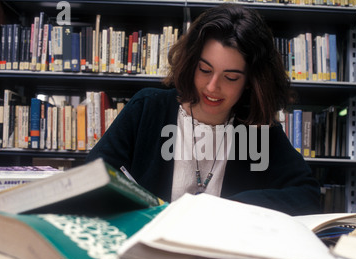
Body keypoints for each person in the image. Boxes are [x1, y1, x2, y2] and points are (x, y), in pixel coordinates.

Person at [86, 3, 321, 216]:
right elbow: (89, 177)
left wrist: (227, 208)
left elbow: (307, 196)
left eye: (230, 77)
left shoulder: (257, 130)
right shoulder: (148, 108)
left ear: (250, 81)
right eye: (205, 70)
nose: (212, 87)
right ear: (191, 63)